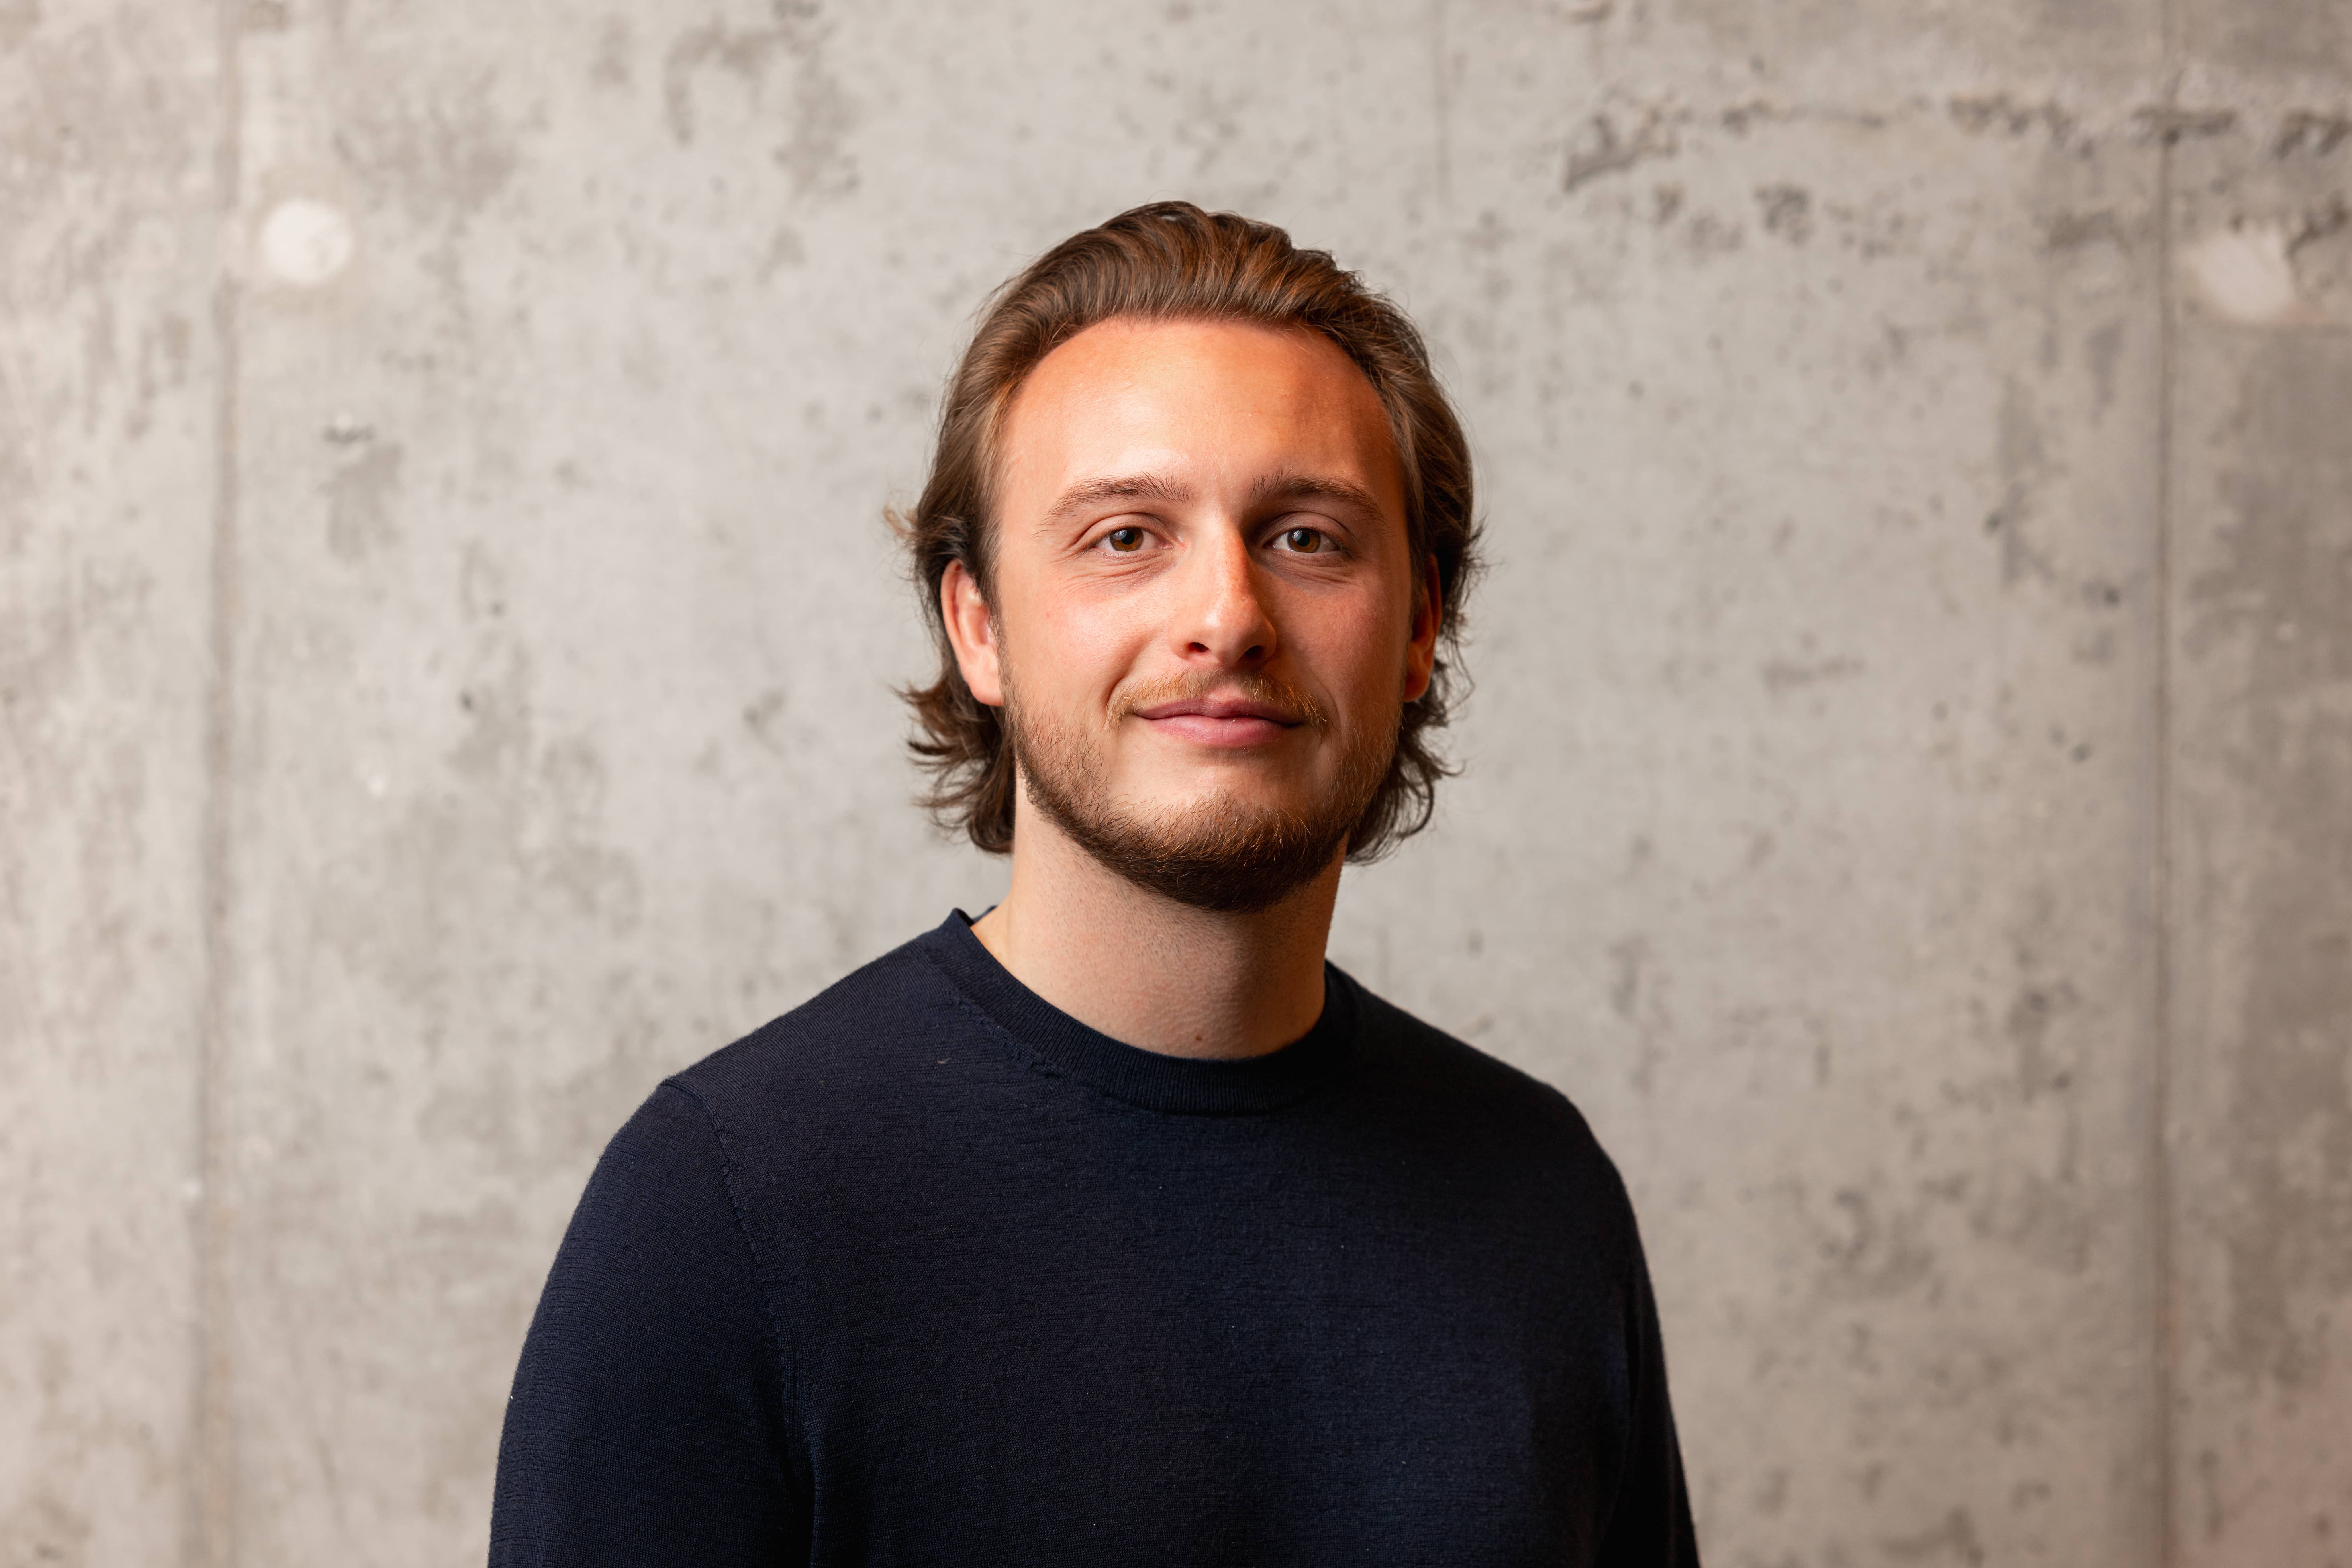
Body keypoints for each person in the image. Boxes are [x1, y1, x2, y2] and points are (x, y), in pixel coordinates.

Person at [489, 201, 1699, 1566]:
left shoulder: (1540, 1194)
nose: (1229, 614)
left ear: (1419, 624)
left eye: (1307, 535)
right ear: (980, 627)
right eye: (1126, 535)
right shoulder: (722, 1213)